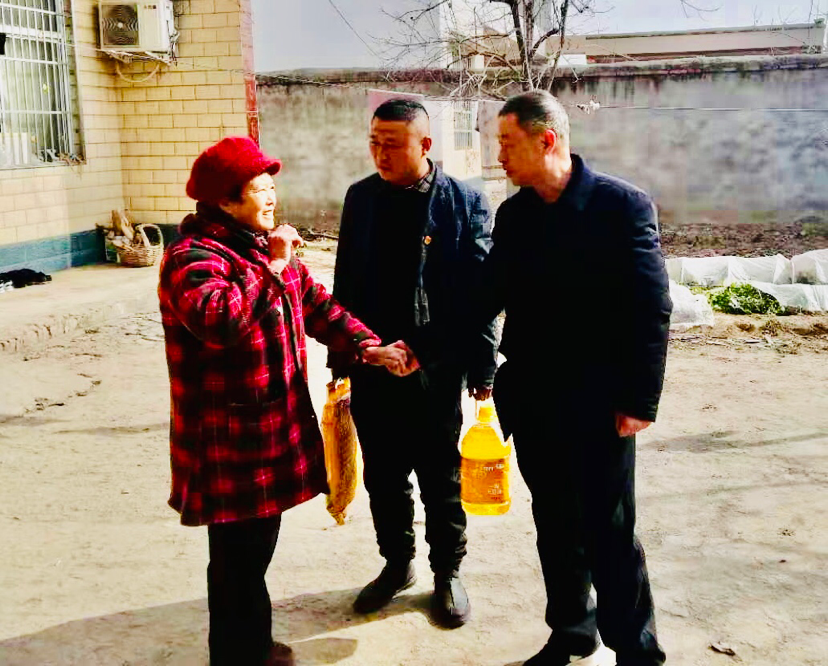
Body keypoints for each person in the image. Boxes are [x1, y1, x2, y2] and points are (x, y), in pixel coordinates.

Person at [158, 136, 413, 666]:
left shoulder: (262, 246)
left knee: (253, 555)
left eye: (271, 186)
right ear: (225, 201)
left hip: (271, 428)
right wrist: (273, 267)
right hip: (228, 440)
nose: (272, 197)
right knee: (237, 561)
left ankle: (250, 647)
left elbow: (319, 308)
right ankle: (240, 655)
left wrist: (370, 347)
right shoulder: (192, 258)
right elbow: (220, 321)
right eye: (259, 189)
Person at [486, 91, 672, 666]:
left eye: (507, 143)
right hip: (534, 399)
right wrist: (421, 347)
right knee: (554, 525)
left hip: (599, 402)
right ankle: (571, 631)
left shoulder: (621, 207)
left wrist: (639, 399)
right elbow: (483, 295)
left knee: (609, 531)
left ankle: (636, 651)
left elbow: (651, 306)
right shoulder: (515, 215)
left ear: (547, 140)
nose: (499, 156)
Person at [329, 99, 498, 628]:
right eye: (374, 143)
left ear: (425, 145)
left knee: (439, 475)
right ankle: (396, 563)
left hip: (435, 365)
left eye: (392, 144)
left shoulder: (463, 201)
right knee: (383, 474)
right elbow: (344, 280)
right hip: (373, 360)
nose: (380, 154)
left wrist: (482, 366)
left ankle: (447, 570)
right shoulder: (361, 198)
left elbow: (479, 293)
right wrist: (343, 356)